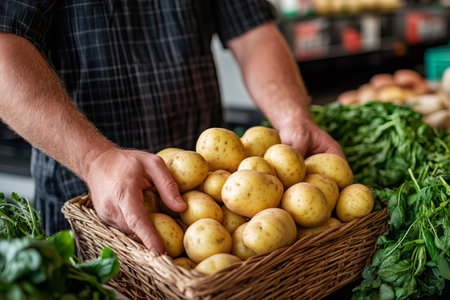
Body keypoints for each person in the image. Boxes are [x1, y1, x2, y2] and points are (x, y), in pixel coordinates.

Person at [0, 0, 343, 253]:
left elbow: (253, 32)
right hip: (83, 204)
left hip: (214, 194)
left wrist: (293, 118)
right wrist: (94, 159)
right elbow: (4, 46)